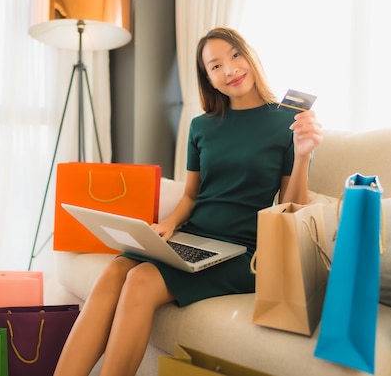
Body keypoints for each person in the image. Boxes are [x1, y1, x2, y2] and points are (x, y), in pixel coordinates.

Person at [53, 27, 323, 376]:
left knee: (140, 281)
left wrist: (303, 156)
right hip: (194, 238)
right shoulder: (201, 127)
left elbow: (293, 211)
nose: (229, 70)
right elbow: (192, 195)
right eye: (215, 66)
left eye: (235, 55)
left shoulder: (288, 123)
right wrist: (167, 225)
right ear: (208, 79)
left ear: (250, 56)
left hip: (245, 251)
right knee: (114, 270)